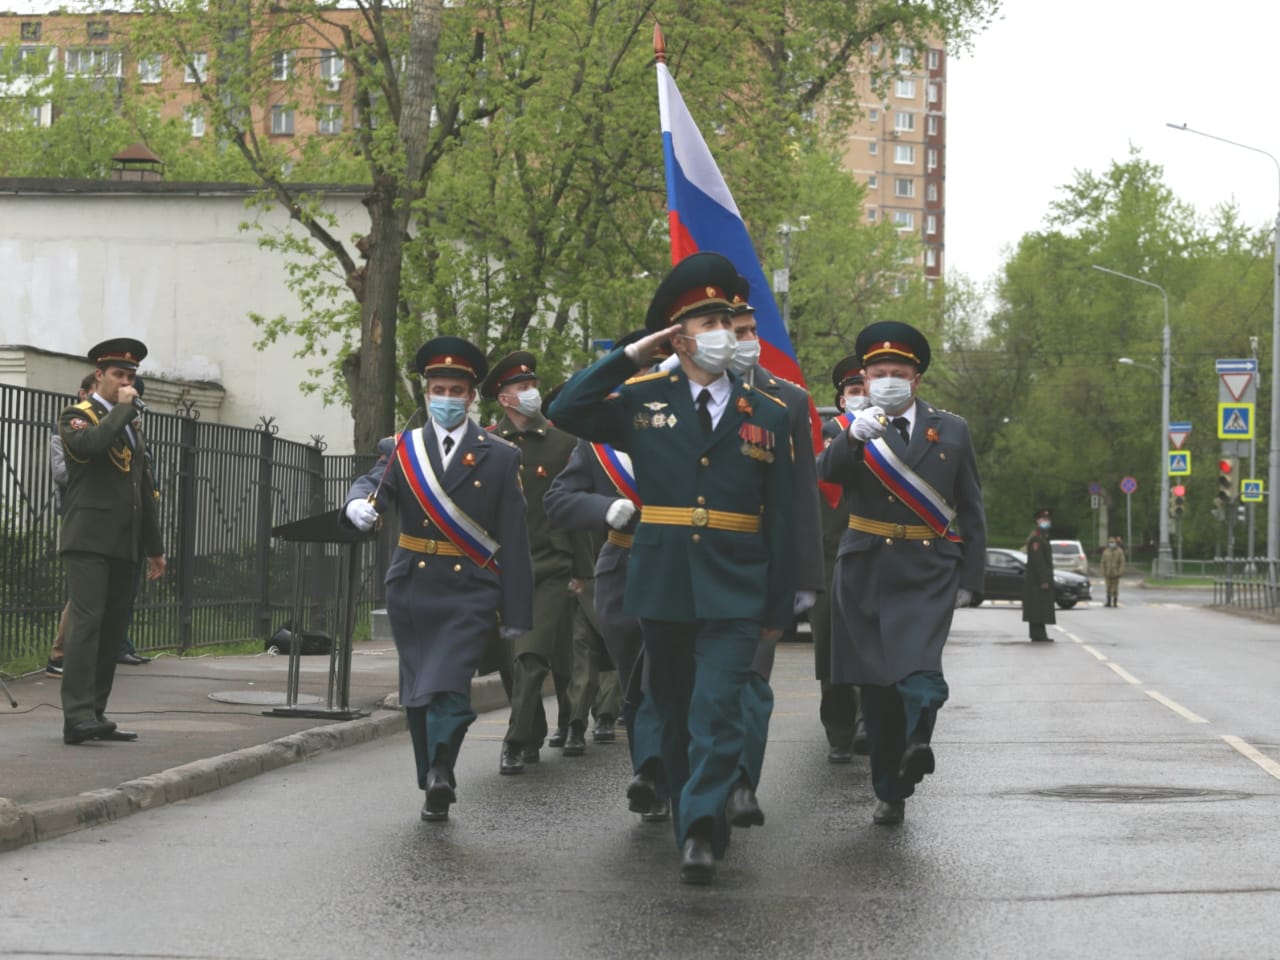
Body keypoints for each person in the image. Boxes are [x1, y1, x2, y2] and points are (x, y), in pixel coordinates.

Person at [550, 251, 796, 885]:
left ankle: (700, 828)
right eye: (706, 321)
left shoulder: (767, 410)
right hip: (661, 582)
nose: (720, 331)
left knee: (718, 706)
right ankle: (694, 811)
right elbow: (567, 408)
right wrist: (631, 355)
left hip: (737, 583)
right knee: (674, 703)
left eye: (727, 319)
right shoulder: (642, 400)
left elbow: (789, 514)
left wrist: (782, 604)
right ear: (677, 335)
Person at [343, 337, 534, 821]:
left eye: (456, 389)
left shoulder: (499, 455)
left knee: (449, 684)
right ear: (426, 394)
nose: (446, 398)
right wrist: (357, 504)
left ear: (471, 397)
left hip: (469, 589)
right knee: (418, 692)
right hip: (412, 586)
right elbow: (374, 484)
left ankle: (443, 769)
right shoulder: (402, 449)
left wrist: (516, 613)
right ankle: (431, 777)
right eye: (438, 388)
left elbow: (514, 538)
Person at [816, 320, 986, 826]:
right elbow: (825, 476)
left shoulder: (951, 429)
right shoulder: (847, 428)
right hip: (865, 567)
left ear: (916, 378)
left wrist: (971, 579)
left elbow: (971, 506)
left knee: (920, 669)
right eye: (878, 372)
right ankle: (891, 788)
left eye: (899, 371)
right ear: (864, 380)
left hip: (928, 567)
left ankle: (920, 741)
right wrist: (851, 440)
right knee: (879, 690)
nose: (888, 379)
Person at [722, 279, 823, 828]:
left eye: (751, 332)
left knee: (750, 686)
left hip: (758, 571)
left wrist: (804, 576)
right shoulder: (674, 393)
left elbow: (801, 496)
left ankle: (741, 782)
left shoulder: (790, 400)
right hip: (690, 565)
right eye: (735, 332)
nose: (746, 341)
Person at [57, 338, 166, 745]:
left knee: (111, 628)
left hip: (125, 542)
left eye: (131, 376)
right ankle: (77, 717)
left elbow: (143, 490)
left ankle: (96, 713)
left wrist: (154, 548)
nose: (126, 382)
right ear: (99, 376)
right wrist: (123, 408)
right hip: (88, 539)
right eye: (119, 375)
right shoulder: (77, 416)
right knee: (86, 625)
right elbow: (92, 447)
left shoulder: (128, 424)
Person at [482, 351, 581, 773]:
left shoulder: (564, 443)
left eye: (532, 384)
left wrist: (580, 568)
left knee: (532, 656)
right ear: (504, 399)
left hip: (550, 566)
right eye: (522, 388)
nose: (532, 393)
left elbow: (576, 506)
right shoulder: (484, 443)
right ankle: (533, 730)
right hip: (501, 569)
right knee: (509, 661)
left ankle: (514, 738)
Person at [813, 356, 869, 762]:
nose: (861, 397)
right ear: (841, 398)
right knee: (831, 654)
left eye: (866, 389)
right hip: (828, 561)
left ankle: (872, 723)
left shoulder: (896, 437)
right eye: (854, 392)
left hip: (874, 558)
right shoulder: (822, 439)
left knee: (875, 647)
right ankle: (839, 731)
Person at [46, 372, 98, 679]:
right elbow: (62, 473)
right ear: (83, 394)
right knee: (82, 589)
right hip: (78, 512)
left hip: (105, 516)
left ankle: (82, 653)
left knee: (95, 590)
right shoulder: (66, 427)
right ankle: (60, 654)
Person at [116, 374, 155, 667]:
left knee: (127, 591)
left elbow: (144, 474)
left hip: (136, 521)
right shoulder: (92, 422)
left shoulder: (135, 431)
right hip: (109, 526)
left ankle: (122, 644)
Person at [1023, 508, 1056, 640]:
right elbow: (1038, 562)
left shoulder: (1042, 538)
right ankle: (1038, 634)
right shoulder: (1036, 540)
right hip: (1036, 582)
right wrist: (1043, 580)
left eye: (1047, 519)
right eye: (1043, 519)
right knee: (1037, 607)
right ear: (1037, 521)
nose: (1046, 521)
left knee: (1039, 607)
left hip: (1038, 580)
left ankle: (1038, 633)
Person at [1100, 535, 1126, 607]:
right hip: (1107, 573)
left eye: (1113, 542)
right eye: (1110, 542)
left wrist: (1120, 572)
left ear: (1115, 543)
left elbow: (1122, 562)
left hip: (1116, 573)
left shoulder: (1119, 551)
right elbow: (1102, 562)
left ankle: (1115, 602)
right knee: (1108, 588)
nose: (1111, 544)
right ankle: (1108, 602)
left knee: (1115, 589)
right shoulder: (1106, 551)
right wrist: (1103, 571)